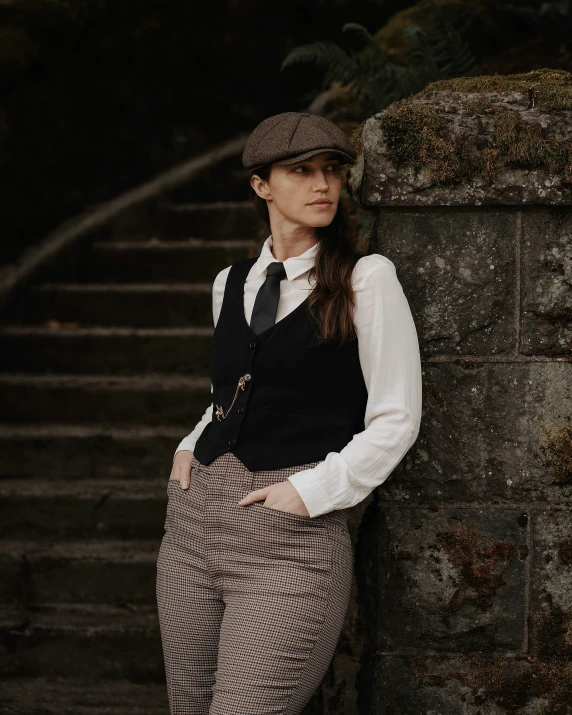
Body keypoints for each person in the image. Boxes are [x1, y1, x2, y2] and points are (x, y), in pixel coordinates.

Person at [156, 111, 422, 715]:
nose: (322, 184)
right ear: (261, 185)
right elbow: (237, 389)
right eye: (300, 171)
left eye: (332, 169)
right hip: (192, 533)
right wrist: (190, 441)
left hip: (290, 539)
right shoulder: (230, 282)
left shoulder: (365, 279)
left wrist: (311, 491)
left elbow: (397, 416)